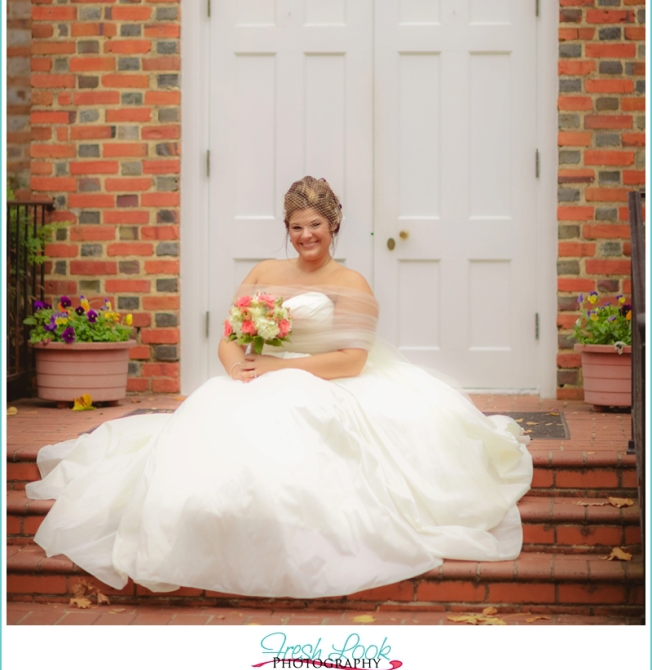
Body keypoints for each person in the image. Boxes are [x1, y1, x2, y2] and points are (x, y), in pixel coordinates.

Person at [26, 176, 533, 599]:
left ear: (333, 225)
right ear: (286, 229)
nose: (305, 235)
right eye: (295, 227)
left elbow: (353, 361)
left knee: (296, 421)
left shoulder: (352, 282)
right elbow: (230, 337)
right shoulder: (265, 271)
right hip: (260, 374)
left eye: (314, 225)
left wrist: (278, 371)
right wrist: (236, 368)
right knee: (212, 421)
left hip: (326, 378)